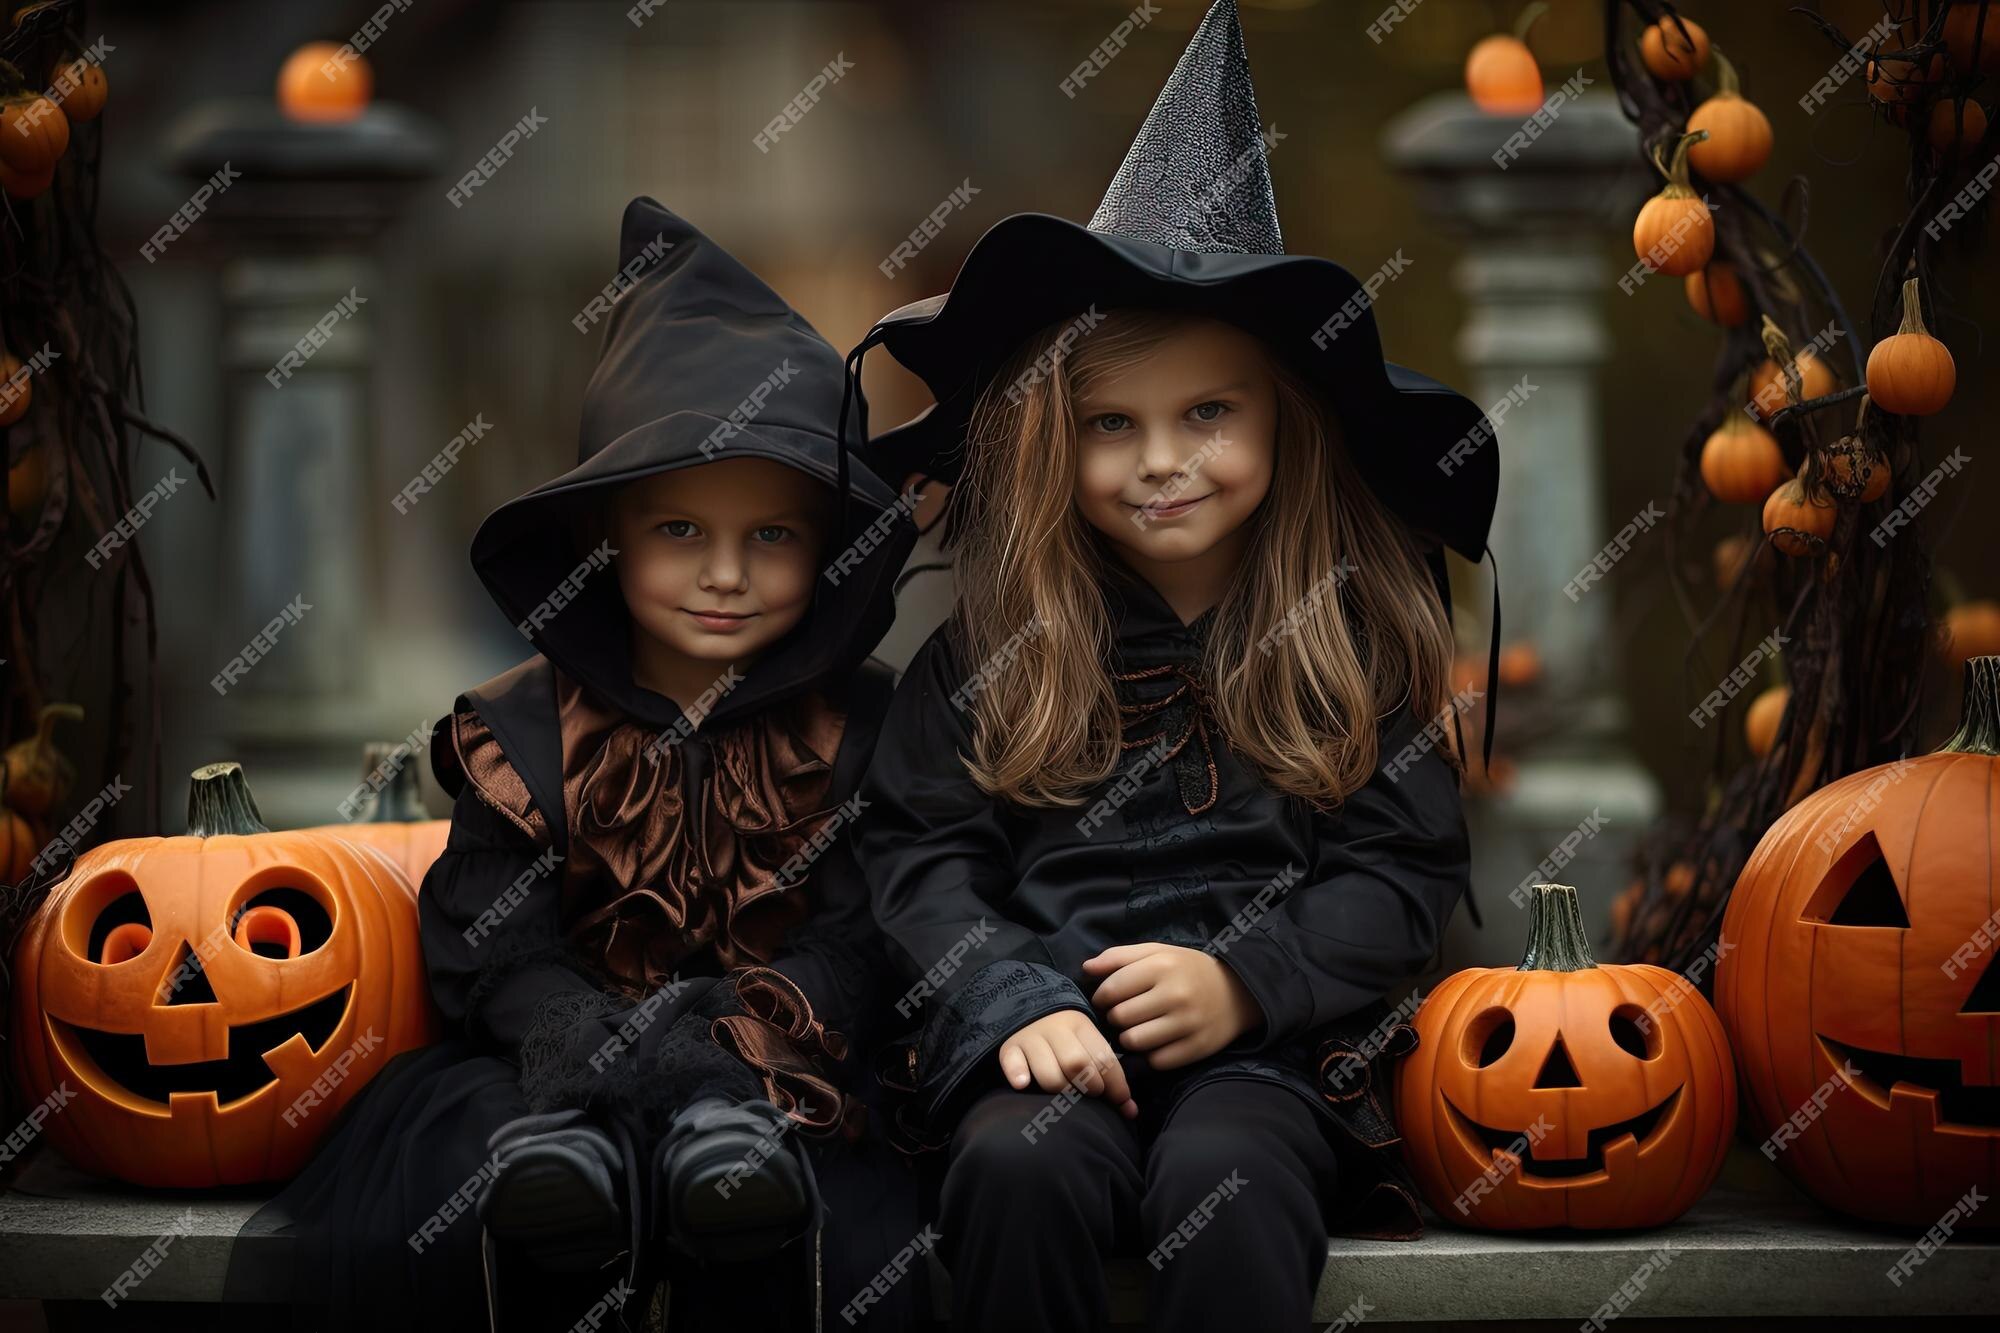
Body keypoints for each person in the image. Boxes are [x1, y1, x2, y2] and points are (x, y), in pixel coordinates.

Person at [845, 3, 1502, 1330]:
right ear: (1053, 444)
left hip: (1265, 1059)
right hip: (1042, 1048)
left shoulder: (1348, 640)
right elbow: (917, 857)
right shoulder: (993, 650)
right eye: (1111, 424)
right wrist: (1007, 998)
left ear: (1284, 421)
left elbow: (1401, 872)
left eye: (1209, 413)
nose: (1160, 460)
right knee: (1014, 1175)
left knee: (1231, 1183)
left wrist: (1248, 979)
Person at [229, 197, 922, 1332]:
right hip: (554, 1072)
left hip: (789, 1069)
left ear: (821, 547)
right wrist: (600, 1053)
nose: (726, 575)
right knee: (496, 1174)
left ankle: (724, 1165)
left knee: (811, 1201)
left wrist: (731, 1050)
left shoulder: (859, 725)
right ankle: (576, 1184)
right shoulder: (529, 731)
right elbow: (496, 948)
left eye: (773, 536)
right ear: (610, 537)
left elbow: (863, 932)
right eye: (680, 532)